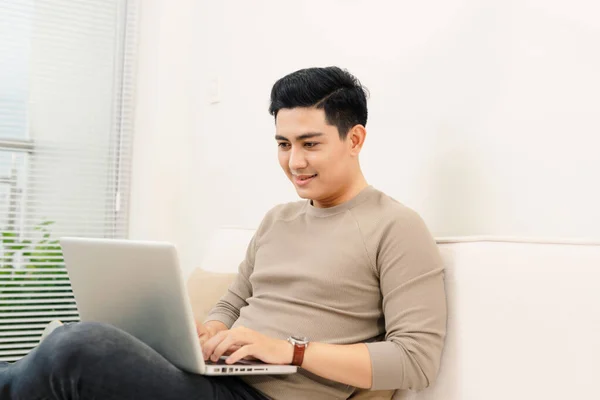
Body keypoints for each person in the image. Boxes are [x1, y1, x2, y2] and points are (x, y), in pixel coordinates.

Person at [0, 66, 447, 400]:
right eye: (283, 144)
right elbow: (234, 302)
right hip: (215, 380)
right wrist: (208, 334)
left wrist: (288, 351)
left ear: (354, 139)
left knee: (78, 348)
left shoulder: (396, 227)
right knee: (67, 338)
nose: (294, 162)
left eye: (310, 144)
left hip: (265, 396)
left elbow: (415, 360)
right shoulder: (278, 219)